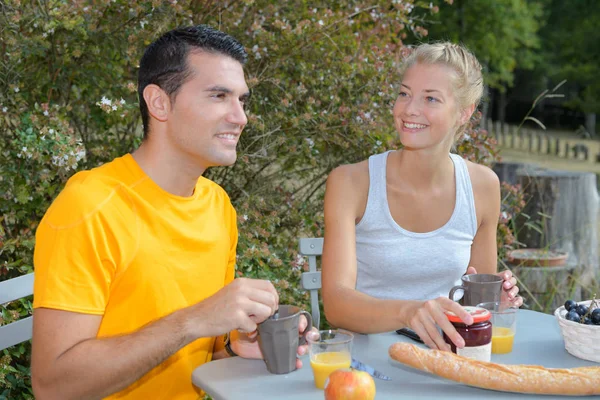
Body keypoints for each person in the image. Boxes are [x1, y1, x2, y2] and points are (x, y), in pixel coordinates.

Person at [31, 25, 311, 400]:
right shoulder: (90, 206)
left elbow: (200, 347)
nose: (240, 117)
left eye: (242, 100)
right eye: (219, 96)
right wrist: (194, 320)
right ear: (159, 103)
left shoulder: (217, 206)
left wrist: (235, 345)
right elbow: (52, 386)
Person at [321, 42, 523, 352]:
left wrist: (493, 302)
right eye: (404, 93)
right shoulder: (351, 182)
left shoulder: (483, 186)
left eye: (430, 98)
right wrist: (410, 312)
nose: (409, 109)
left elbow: (472, 303)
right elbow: (336, 305)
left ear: (464, 113)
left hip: (447, 361)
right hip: (365, 366)